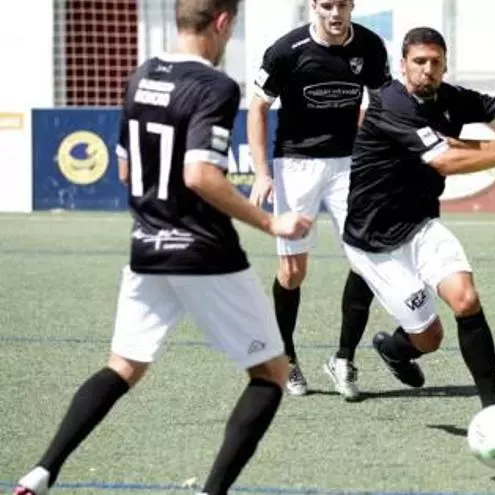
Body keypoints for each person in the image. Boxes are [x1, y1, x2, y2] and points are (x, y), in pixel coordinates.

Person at [12, 2, 312, 494]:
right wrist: (271, 222)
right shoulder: (216, 86)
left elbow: (125, 170)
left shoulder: (140, 76)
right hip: (204, 252)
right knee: (271, 372)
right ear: (222, 22)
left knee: (124, 366)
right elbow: (200, 175)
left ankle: (40, 472)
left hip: (147, 248)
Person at [342, 26, 495, 410]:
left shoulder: (450, 98)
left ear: (445, 64)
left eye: (435, 62)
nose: (427, 69)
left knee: (466, 299)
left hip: (421, 224)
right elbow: (445, 160)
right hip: (374, 241)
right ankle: (395, 349)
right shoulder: (390, 103)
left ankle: (494, 410)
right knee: (429, 338)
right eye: (419, 61)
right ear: (403, 65)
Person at [248, 0, 390, 401]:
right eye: (326, 4)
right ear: (313, 5)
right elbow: (258, 107)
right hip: (296, 165)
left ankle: (344, 359)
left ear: (352, 5)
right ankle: (286, 358)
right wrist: (262, 171)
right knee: (292, 272)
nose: (335, 13)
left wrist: (379, 153)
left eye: (342, 4)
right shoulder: (285, 51)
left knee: (367, 261)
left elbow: (383, 104)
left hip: (349, 164)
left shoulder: (370, 46)